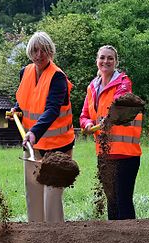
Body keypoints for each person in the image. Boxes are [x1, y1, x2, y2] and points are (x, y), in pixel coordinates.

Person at [11, 31, 74, 223]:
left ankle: (55, 240)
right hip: (33, 146)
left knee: (51, 201)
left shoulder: (58, 77)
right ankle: (36, 239)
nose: (39, 55)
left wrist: (33, 132)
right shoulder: (26, 72)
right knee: (34, 197)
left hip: (58, 148)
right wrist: (17, 110)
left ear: (51, 52)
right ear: (30, 52)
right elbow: (26, 100)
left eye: (44, 50)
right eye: (35, 50)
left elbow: (52, 110)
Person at [79, 45, 142, 220]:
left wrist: (107, 117)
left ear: (116, 62)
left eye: (110, 58)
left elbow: (119, 103)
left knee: (123, 200)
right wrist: (88, 123)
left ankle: (129, 240)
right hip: (104, 153)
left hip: (125, 153)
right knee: (111, 201)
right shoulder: (92, 87)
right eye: (102, 58)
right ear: (97, 61)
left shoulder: (123, 82)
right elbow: (84, 114)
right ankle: (113, 242)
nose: (105, 61)